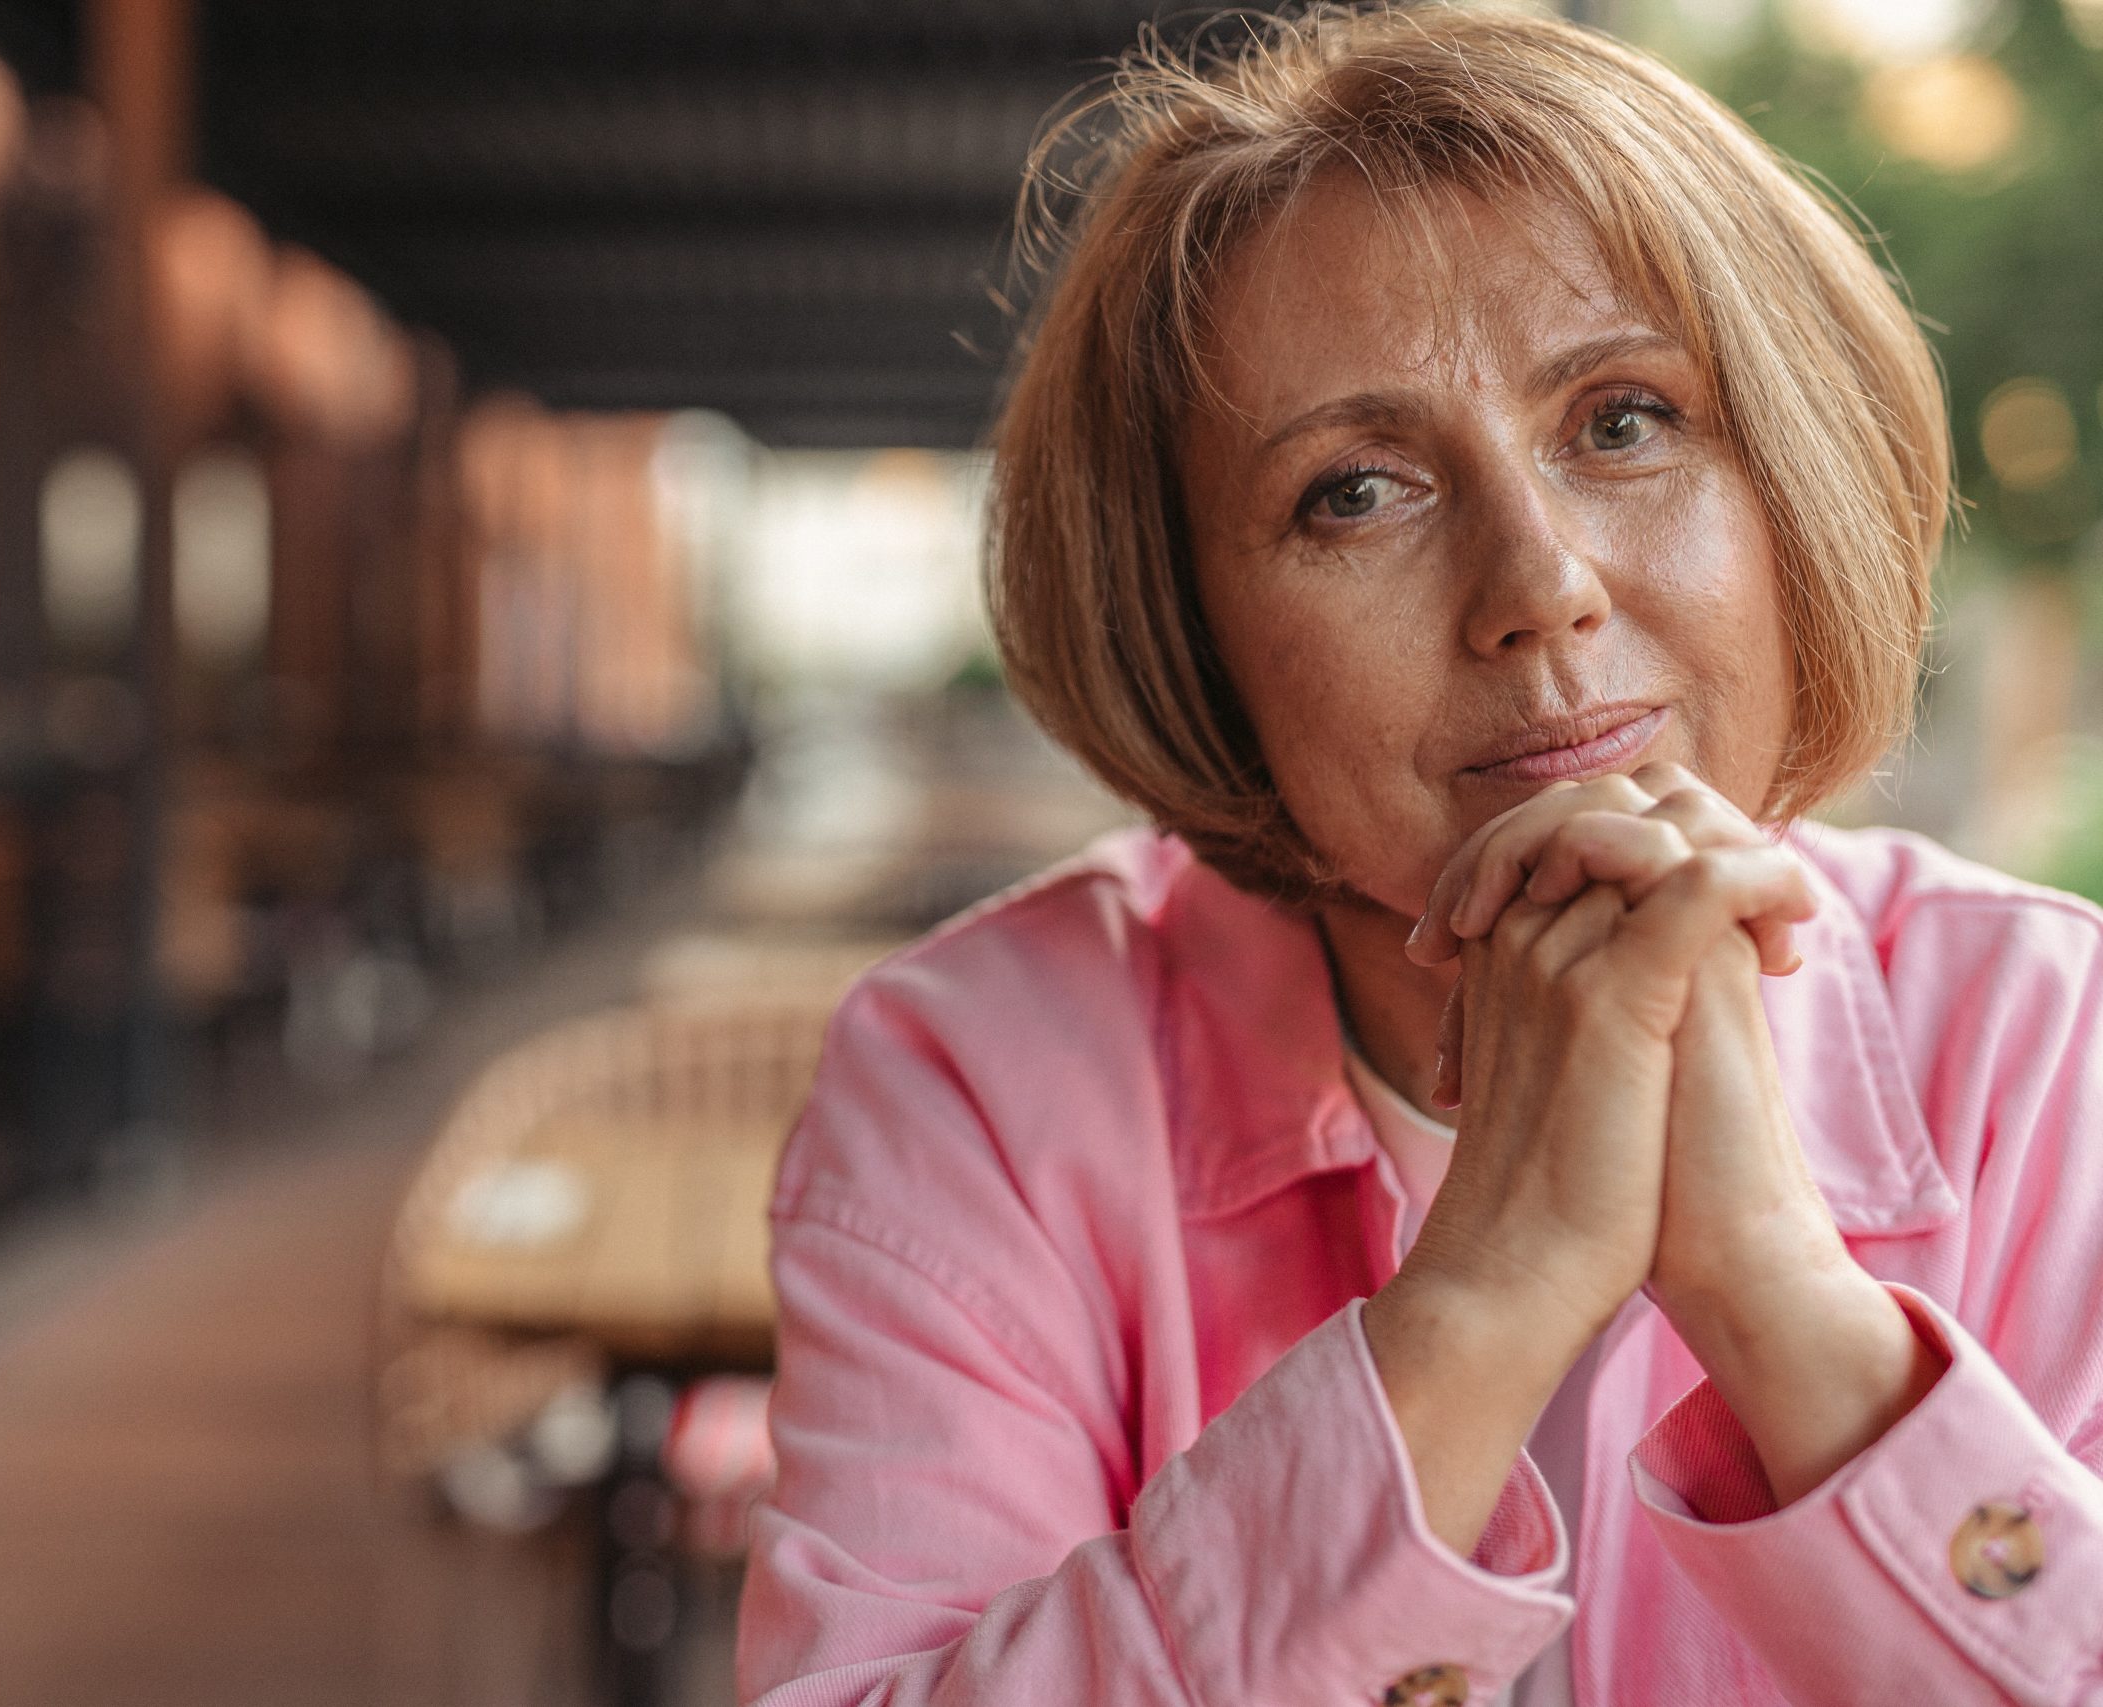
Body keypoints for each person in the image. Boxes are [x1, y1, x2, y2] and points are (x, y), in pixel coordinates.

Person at [733, 6, 2103, 1705]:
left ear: (1787, 484)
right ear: (1190, 620)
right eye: (1357, 491)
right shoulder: (980, 1079)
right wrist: (1487, 1299)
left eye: (1623, 421)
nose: (1540, 586)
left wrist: (1778, 1303)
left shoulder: (2060, 1041)